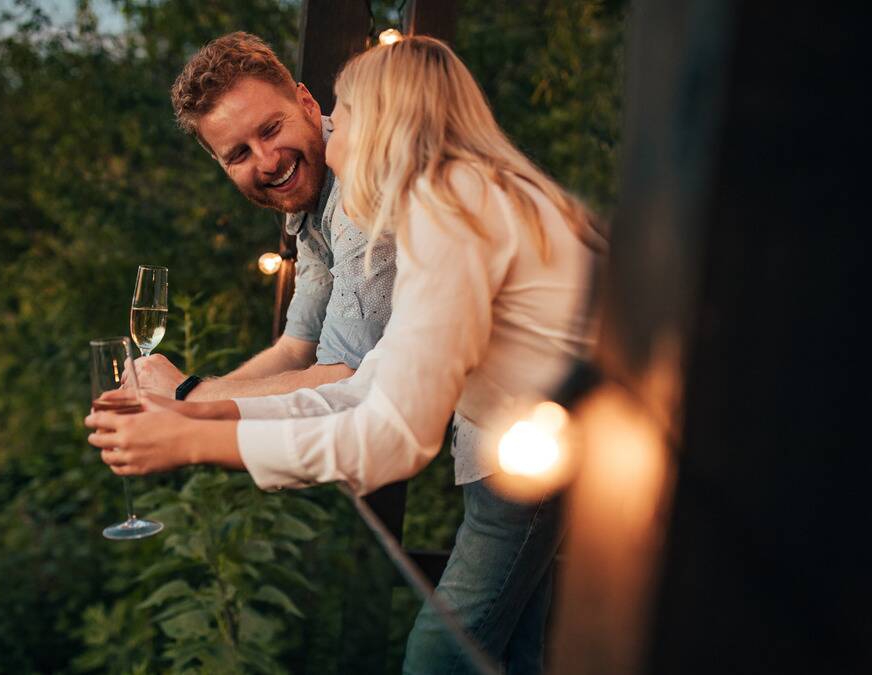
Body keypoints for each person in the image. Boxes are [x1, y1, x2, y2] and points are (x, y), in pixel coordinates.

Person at [88, 36, 602, 673]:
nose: (330, 131)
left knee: (435, 657)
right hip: (542, 442)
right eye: (238, 153)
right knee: (509, 651)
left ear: (385, 124)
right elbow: (360, 386)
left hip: (587, 457)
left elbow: (390, 433)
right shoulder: (435, 209)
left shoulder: (448, 212)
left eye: (344, 112)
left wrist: (196, 431)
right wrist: (197, 415)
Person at [139, 32, 397, 401]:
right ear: (221, 164)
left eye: (271, 129)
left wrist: (188, 395)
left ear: (306, 103)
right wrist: (186, 401)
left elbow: (345, 378)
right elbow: (294, 351)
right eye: (239, 154)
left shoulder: (359, 183)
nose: (269, 161)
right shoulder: (311, 200)